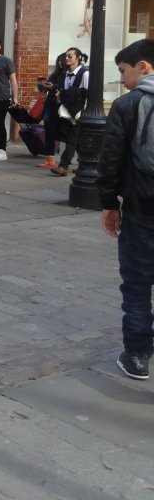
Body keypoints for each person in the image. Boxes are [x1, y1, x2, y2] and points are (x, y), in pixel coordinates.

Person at [96, 39, 154, 380]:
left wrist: (108, 204)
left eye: (124, 71)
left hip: (141, 210)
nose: (123, 79)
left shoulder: (128, 105)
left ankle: (137, 355)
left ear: (143, 67)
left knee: (136, 286)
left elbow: (111, 160)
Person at [48, 47, 89, 177]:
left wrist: (85, 112)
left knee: (72, 138)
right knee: (71, 137)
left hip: (79, 112)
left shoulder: (85, 74)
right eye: (66, 56)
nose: (66, 58)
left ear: (78, 58)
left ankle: (63, 166)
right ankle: (86, 164)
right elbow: (65, 92)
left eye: (70, 56)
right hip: (67, 110)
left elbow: (89, 94)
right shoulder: (65, 74)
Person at [35, 52, 68, 169]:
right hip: (50, 106)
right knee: (49, 131)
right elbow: (45, 90)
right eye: (59, 60)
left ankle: (66, 159)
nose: (60, 62)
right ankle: (50, 159)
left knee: (63, 133)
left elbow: (64, 89)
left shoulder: (68, 75)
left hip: (61, 108)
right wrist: (41, 85)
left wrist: (53, 87)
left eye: (62, 60)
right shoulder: (55, 74)